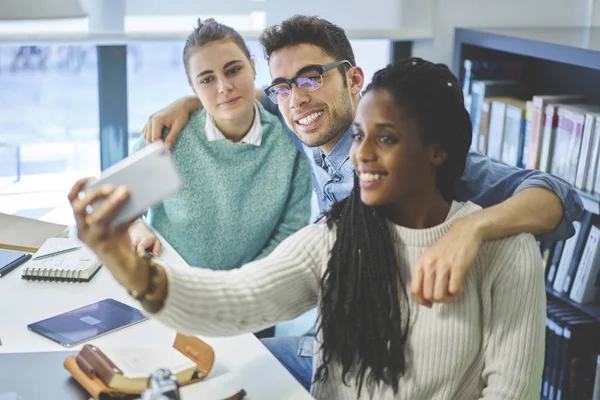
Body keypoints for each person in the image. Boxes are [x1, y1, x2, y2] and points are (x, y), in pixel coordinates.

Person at [139, 15, 583, 390]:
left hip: (401, 358)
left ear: (353, 79)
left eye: (312, 77)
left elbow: (558, 196)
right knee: (202, 373)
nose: (298, 99)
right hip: (329, 342)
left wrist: (474, 228)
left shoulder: (406, 155)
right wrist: (190, 103)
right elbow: (241, 95)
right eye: (284, 87)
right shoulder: (303, 119)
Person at [69, 58, 546, 399]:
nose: (361, 154)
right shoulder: (337, 235)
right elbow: (236, 299)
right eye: (360, 136)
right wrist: (127, 264)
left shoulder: (507, 250)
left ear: (437, 151)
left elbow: (511, 391)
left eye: (387, 138)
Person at [128, 19, 312, 274]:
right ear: (193, 88)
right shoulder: (167, 137)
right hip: (170, 287)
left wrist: (239, 290)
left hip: (251, 295)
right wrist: (136, 227)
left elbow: (290, 234)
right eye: (207, 80)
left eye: (233, 70)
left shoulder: (290, 142)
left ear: (254, 68)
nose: (224, 87)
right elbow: (123, 209)